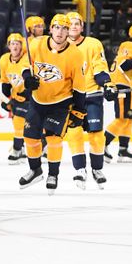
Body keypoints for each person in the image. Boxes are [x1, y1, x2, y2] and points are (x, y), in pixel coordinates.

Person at [18, 14, 86, 193]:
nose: (60, 32)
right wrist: (28, 79)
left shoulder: (75, 55)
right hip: (38, 100)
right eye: (57, 27)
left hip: (60, 101)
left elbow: (79, 86)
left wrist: (79, 110)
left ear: (68, 32)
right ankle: (35, 170)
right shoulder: (36, 44)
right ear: (51, 29)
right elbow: (26, 65)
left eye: (64, 28)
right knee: (30, 137)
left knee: (53, 138)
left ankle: (53, 174)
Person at [64, 11, 116, 189]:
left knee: (96, 135)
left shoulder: (93, 44)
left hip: (92, 95)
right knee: (74, 133)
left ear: (82, 26)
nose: (74, 27)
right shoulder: (60, 47)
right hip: (71, 99)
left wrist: (107, 83)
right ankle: (80, 169)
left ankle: (96, 169)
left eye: (77, 23)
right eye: (70, 24)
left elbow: (99, 68)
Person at [104, 24, 132, 162]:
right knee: (122, 118)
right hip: (121, 85)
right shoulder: (130, 45)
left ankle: (123, 150)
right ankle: (101, 145)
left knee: (129, 118)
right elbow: (124, 65)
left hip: (128, 86)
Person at [0, 33, 30, 164]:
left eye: (18, 43)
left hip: (30, 97)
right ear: (8, 46)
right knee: (18, 124)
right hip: (16, 97)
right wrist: (5, 98)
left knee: (27, 125)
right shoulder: (3, 60)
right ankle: (19, 149)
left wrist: (28, 93)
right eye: (12, 43)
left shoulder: (26, 59)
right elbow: (5, 81)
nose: (15, 46)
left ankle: (19, 148)